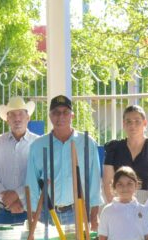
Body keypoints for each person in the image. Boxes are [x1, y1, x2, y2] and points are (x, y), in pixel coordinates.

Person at [25, 95, 103, 228]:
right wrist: (33, 217)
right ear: (50, 116)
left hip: (77, 212)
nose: (60, 117)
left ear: (72, 116)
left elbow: (94, 182)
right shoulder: (38, 146)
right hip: (46, 214)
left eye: (65, 112)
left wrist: (94, 216)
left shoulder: (87, 143)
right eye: (55, 113)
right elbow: (31, 184)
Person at [0, 97, 40, 223]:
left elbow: (40, 177)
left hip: (31, 211)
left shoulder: (38, 143)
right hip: (3, 211)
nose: (17, 118)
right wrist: (6, 198)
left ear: (28, 117)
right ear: (7, 119)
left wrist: (16, 194)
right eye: (12, 115)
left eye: (21, 113)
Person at [104, 105, 148, 204]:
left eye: (137, 121)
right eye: (128, 121)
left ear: (145, 123)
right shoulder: (114, 148)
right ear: (124, 124)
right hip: (120, 201)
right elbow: (108, 183)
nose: (133, 125)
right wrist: (116, 207)